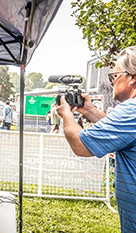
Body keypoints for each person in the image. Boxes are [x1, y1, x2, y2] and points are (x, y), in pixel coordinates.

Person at [56, 46, 136, 233]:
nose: (111, 83)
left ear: (132, 78)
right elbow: (118, 131)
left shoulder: (131, 110)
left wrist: (66, 115)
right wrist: (90, 111)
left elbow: (81, 146)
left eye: (114, 77)